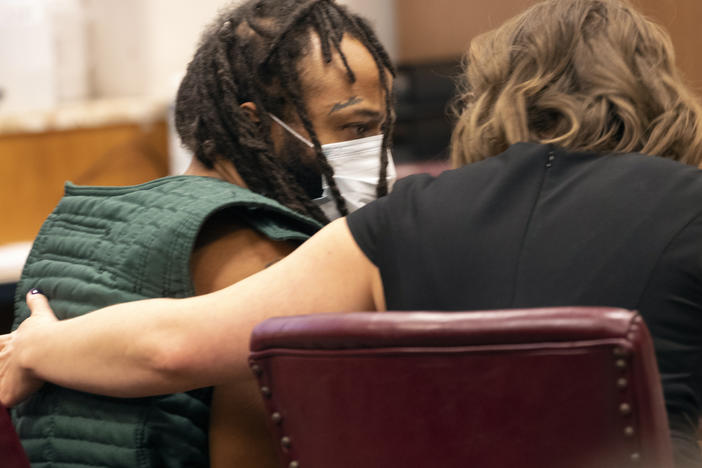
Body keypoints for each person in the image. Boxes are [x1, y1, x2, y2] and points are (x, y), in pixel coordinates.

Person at [2, 0, 702, 466]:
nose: (374, 152)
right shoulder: (690, 208)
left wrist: (43, 344)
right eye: (357, 128)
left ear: (492, 99)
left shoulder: (401, 221)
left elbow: (171, 345)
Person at [5, 0, 396, 467]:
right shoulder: (264, 248)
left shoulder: (83, 222)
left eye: (380, 130)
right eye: (354, 128)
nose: (373, 152)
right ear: (254, 123)